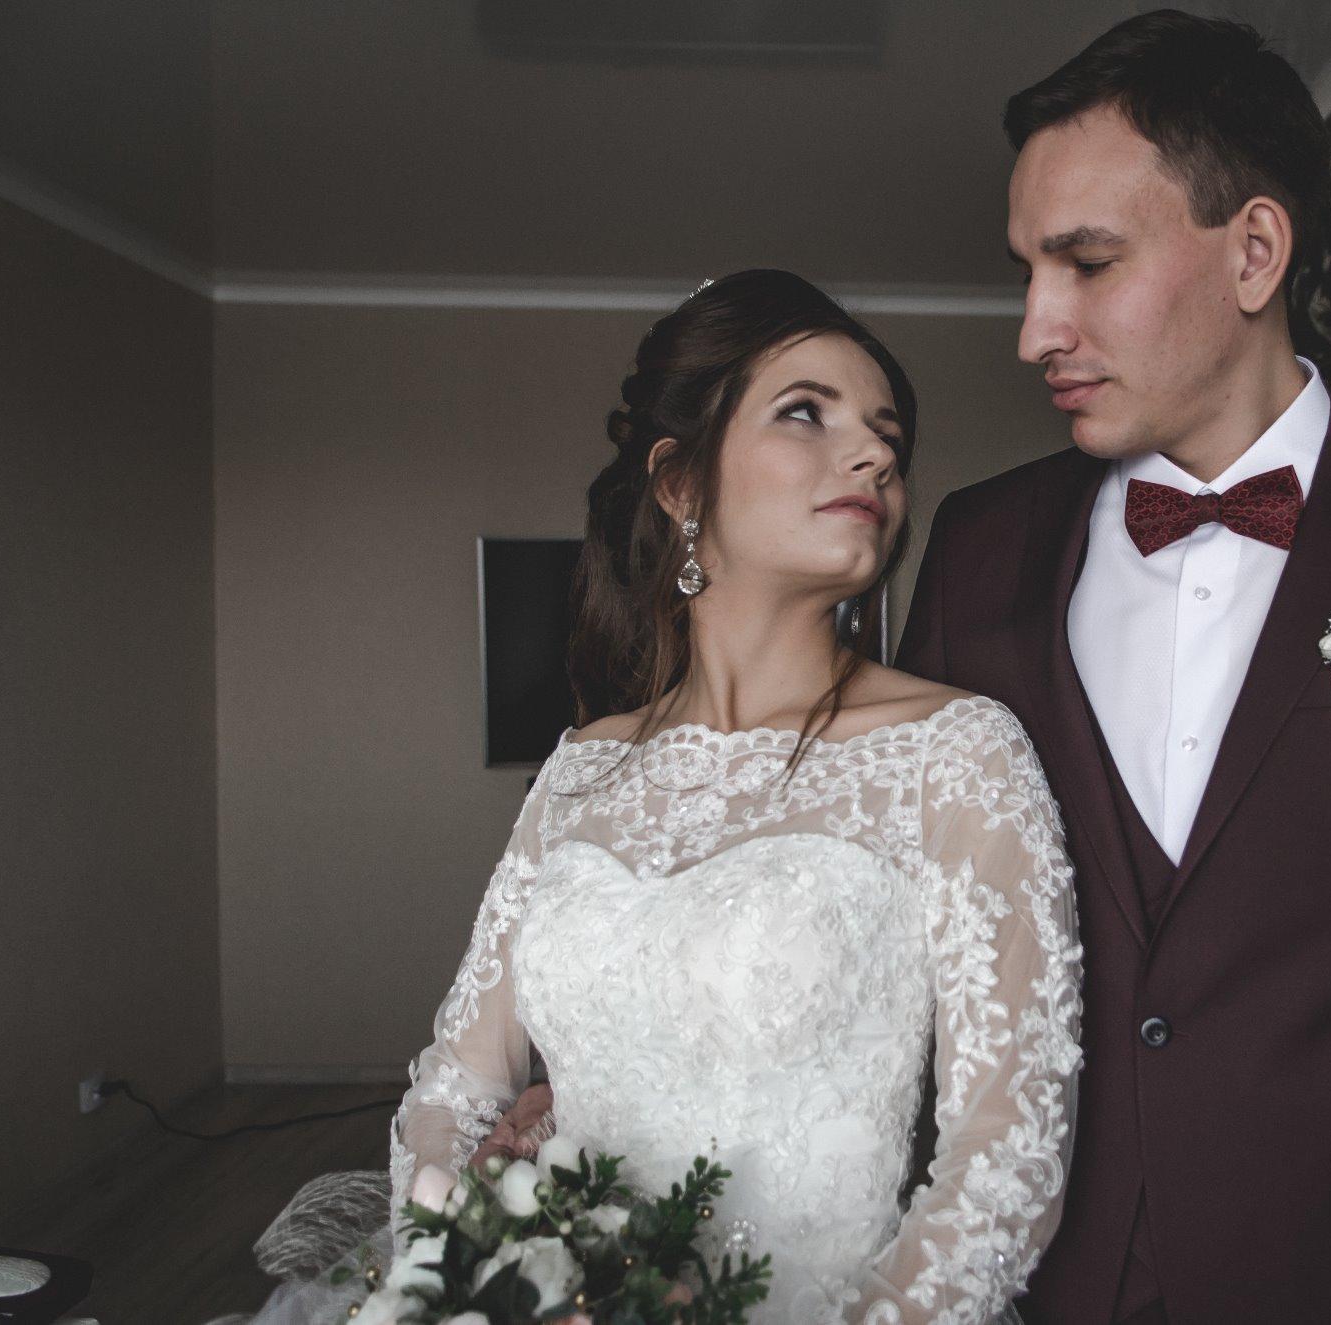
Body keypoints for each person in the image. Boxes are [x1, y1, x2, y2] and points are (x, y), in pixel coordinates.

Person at [892, 11, 1331, 1323]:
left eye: (1086, 262)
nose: (1035, 329)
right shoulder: (978, 549)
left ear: (1254, 251)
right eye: (1026, 271)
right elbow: (896, 932)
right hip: (1034, 1282)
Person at [228, 269, 1084, 1325]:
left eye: (888, 437)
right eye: (805, 412)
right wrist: (467, 1272)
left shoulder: (956, 754)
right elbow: (454, 1089)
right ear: (680, 483)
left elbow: (1004, 1158)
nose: (872, 455)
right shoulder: (580, 770)